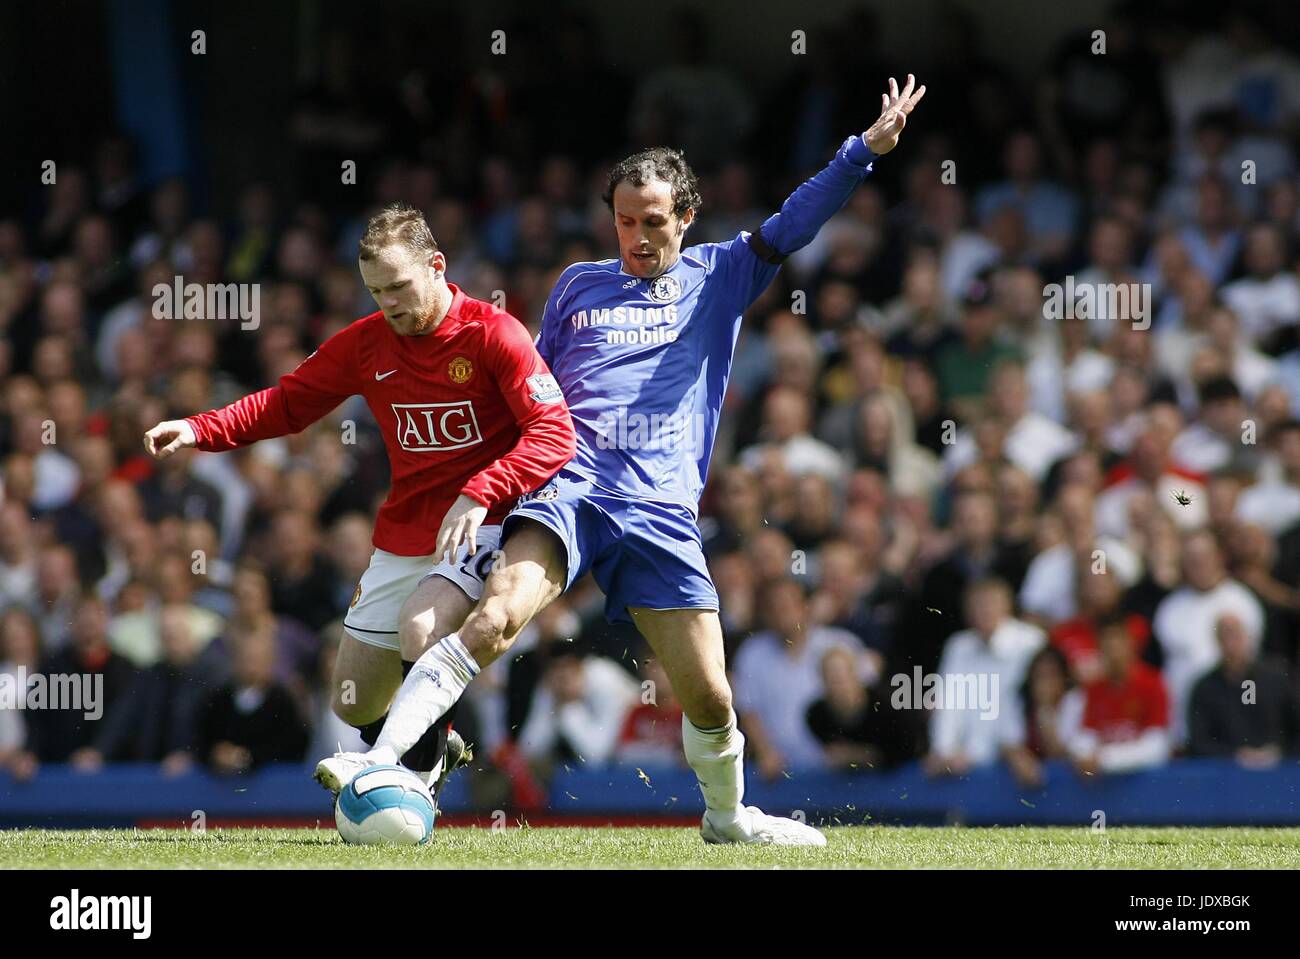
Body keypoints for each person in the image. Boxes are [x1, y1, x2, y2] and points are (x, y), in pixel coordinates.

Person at [319, 76, 928, 846]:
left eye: (653, 221)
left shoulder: (724, 271)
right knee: (499, 613)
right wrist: (485, 487)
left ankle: (729, 815)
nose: (638, 236)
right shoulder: (578, 286)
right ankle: (382, 760)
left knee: (708, 693)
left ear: (687, 216)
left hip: (660, 509)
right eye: (623, 221)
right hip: (569, 488)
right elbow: (529, 398)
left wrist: (863, 153)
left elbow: (794, 221)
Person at [143, 204, 576, 792]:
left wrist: (481, 492)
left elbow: (554, 432)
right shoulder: (367, 343)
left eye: (400, 286)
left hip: (489, 524)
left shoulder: (494, 333)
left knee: (422, 627)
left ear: (437, 266)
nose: (390, 303)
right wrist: (200, 428)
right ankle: (433, 739)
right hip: (407, 533)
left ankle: (408, 784)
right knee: (353, 698)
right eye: (377, 291)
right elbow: (287, 404)